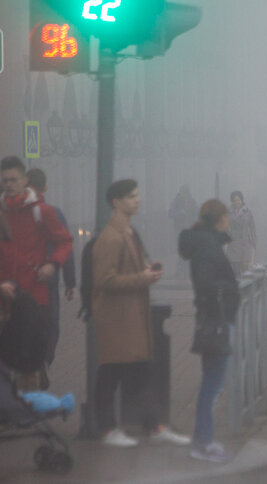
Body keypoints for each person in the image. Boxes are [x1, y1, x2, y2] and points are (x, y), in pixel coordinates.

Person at [91, 179, 190, 448]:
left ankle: (152, 425)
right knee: (111, 374)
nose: (137, 200)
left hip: (129, 319)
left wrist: (147, 270)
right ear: (116, 202)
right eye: (131, 196)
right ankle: (109, 429)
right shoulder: (111, 237)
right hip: (118, 319)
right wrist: (142, 277)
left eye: (137, 195)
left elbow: (129, 271)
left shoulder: (129, 233)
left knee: (138, 373)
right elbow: (105, 280)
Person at [0, 157, 72, 391]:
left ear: (24, 180)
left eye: (13, 179)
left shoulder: (41, 211)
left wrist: (52, 265)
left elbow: (65, 241)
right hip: (4, 297)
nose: (8, 184)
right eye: (5, 180)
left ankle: (28, 407)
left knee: (27, 356)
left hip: (33, 295)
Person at [178, 199, 239, 463]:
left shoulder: (205, 243)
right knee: (212, 385)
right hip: (216, 320)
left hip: (214, 317)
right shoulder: (208, 246)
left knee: (211, 382)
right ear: (220, 218)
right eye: (226, 215)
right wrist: (228, 292)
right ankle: (203, 442)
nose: (229, 220)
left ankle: (204, 440)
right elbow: (207, 283)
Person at [26, 168, 75, 367]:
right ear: (45, 187)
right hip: (48, 280)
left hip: (21, 279)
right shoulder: (54, 213)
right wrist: (70, 282)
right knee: (50, 324)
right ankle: (43, 362)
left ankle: (30, 363)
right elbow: (66, 246)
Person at [168, 185, 197, 278]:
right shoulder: (175, 202)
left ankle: (186, 269)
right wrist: (178, 214)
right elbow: (170, 214)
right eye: (182, 192)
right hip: (179, 229)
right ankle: (181, 270)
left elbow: (196, 215)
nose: (183, 195)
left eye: (185, 192)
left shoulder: (193, 202)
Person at [225, 191, 256, 275]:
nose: (237, 202)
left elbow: (252, 229)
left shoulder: (248, 212)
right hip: (233, 245)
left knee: (245, 272)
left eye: (238, 200)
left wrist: (253, 244)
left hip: (245, 245)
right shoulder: (228, 213)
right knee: (234, 272)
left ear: (242, 200)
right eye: (235, 200)